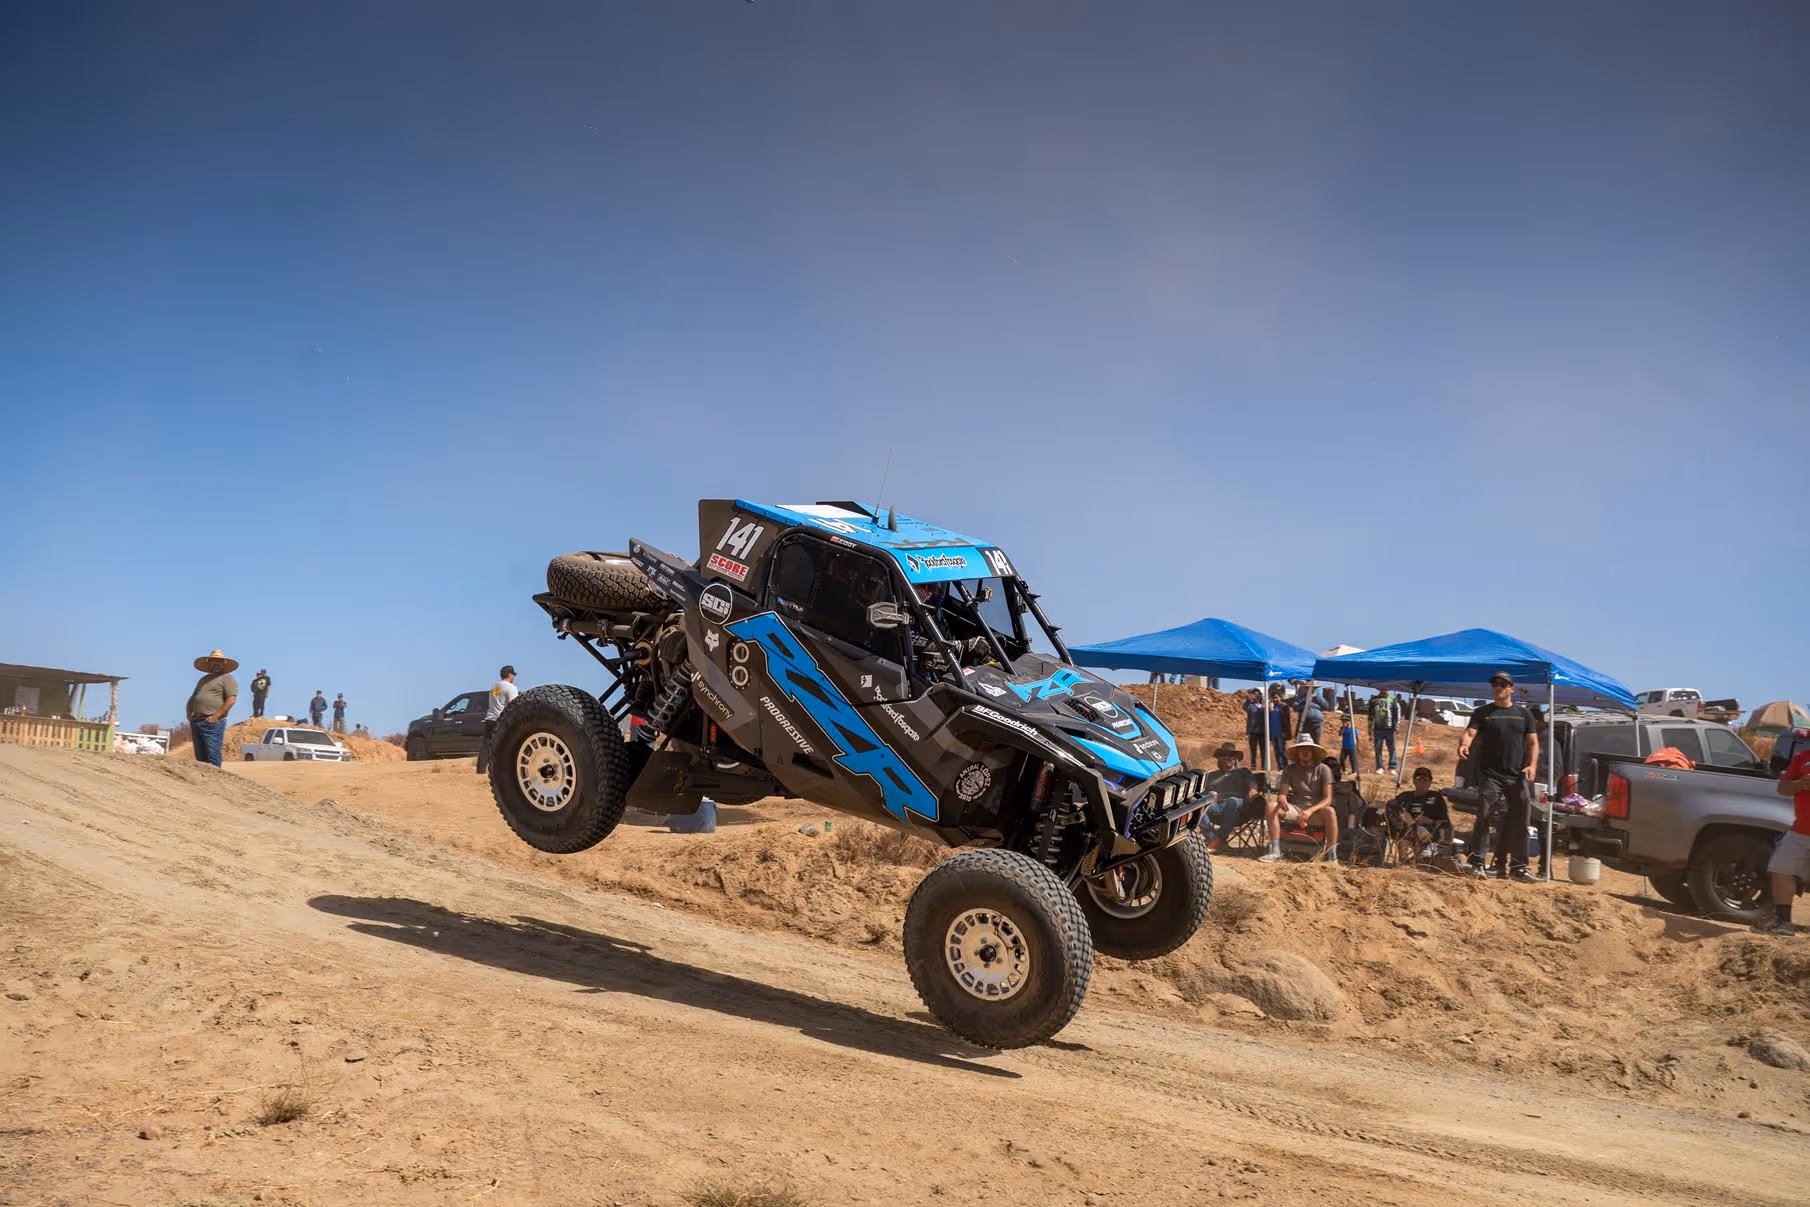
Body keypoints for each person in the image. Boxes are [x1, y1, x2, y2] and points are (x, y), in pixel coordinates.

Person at [1459, 672, 1541, 882]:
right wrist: (1463, 745)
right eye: (1495, 684)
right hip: (1490, 774)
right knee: (1484, 816)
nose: (1498, 687)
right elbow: (1469, 733)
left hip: (1517, 775)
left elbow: (1533, 743)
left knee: (1521, 820)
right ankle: (1477, 862)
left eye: (1503, 684)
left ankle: (1519, 867)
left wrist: (1532, 765)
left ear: (1512, 688)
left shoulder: (1524, 714)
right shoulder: (1482, 712)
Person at [1753, 741, 1810, 936]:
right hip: (1801, 830)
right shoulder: (1802, 758)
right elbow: (1783, 788)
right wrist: (1801, 784)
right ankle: (1784, 923)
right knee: (1780, 869)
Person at [1261, 735, 1338, 863]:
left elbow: (1328, 799)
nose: (1305, 751)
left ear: (1313, 751)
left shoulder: (1324, 769)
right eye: (1301, 748)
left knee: (1330, 811)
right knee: (1270, 806)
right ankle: (1275, 851)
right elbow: (1283, 793)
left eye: (1308, 748)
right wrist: (1281, 797)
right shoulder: (1289, 769)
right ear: (1297, 751)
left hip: (1317, 810)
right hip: (1296, 809)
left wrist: (1310, 811)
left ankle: (1332, 856)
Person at [1201, 742, 1261, 850]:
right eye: (1224, 755)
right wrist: (1210, 796)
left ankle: (1220, 838)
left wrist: (1253, 790)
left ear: (1236, 759)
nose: (1227, 758)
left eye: (1231, 755)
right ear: (1219, 759)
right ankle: (1213, 838)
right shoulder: (1211, 776)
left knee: (1232, 801)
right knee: (1198, 806)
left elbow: (1252, 784)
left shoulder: (1243, 772)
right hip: (1217, 806)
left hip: (1240, 808)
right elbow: (1203, 793)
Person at [186, 649, 239, 767]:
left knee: (213, 754)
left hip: (212, 722)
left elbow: (231, 700)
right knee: (200, 756)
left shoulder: (226, 678)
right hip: (197, 720)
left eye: (219, 661)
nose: (216, 664)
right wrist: (189, 714)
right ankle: (203, 783)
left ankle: (215, 782)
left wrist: (215, 716)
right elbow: (192, 698)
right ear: (208, 663)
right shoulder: (203, 680)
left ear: (223, 664)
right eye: (213, 661)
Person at [1387, 767, 1454, 853]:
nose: (1422, 782)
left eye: (1425, 779)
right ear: (1414, 781)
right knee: (1392, 805)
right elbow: (1390, 807)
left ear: (1430, 783)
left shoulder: (1436, 798)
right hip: (1406, 830)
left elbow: (1446, 823)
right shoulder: (1405, 796)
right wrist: (1409, 820)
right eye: (1419, 779)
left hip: (1427, 832)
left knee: (1420, 834)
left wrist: (1431, 821)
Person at [476, 665, 520, 775]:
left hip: (490, 719)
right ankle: (504, 772)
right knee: (505, 745)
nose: (514, 677)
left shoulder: (495, 687)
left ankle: (480, 770)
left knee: (486, 746)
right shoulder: (511, 688)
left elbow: (495, 702)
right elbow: (514, 706)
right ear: (510, 675)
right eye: (513, 674)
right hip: (501, 720)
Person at [1370, 690, 1400, 773]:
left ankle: (1392, 767)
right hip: (1378, 728)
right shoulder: (1374, 699)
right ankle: (1379, 767)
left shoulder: (1393, 699)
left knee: (1392, 748)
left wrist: (1397, 725)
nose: (1384, 689)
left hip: (1390, 728)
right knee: (1378, 748)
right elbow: (1370, 714)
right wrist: (1370, 727)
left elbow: (1397, 712)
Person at [1243, 689, 1266, 767]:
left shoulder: (1264, 706)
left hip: (1263, 731)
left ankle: (1264, 766)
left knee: (1263, 750)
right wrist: (1248, 700)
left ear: (1260, 695)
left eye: (1257, 694)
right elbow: (1244, 707)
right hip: (1253, 731)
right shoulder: (1250, 705)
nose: (1256, 696)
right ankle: (1253, 766)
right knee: (1253, 750)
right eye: (1254, 694)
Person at [1339, 709, 1359, 775]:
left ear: (1349, 721)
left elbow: (1357, 738)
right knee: (1342, 759)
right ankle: (1344, 771)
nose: (1343, 722)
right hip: (1344, 747)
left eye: (1345, 721)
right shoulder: (1342, 728)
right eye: (1342, 721)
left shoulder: (1353, 728)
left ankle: (1354, 771)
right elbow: (1340, 734)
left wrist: (1358, 746)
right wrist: (1343, 728)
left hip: (1352, 747)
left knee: (1352, 760)